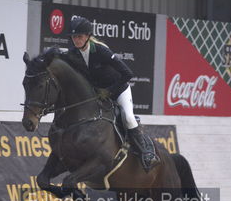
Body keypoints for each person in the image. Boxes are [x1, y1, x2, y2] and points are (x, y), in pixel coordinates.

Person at [63, 16, 159, 171]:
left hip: (119, 90)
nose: (76, 40)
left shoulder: (101, 51)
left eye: (79, 36)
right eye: (74, 37)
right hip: (97, 94)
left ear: (88, 36)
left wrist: (109, 91)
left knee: (127, 117)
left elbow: (127, 73)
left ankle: (146, 153)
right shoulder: (73, 53)